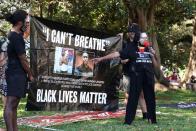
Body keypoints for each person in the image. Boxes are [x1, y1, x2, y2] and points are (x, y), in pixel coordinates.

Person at [92, 24, 158, 125]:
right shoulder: (131, 47)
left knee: (150, 97)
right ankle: (128, 121)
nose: (143, 39)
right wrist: (101, 59)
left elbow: (156, 65)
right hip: (136, 76)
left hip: (148, 76)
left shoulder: (148, 48)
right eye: (142, 37)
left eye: (145, 37)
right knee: (132, 98)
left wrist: (153, 55)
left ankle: (152, 119)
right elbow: (117, 54)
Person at [4, 10, 34, 131]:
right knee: (11, 104)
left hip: (15, 73)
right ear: (20, 22)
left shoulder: (13, 34)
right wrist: (30, 74)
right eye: (26, 21)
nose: (28, 23)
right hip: (15, 73)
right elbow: (23, 59)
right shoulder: (16, 37)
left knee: (14, 104)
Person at [121, 32, 147, 119]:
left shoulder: (139, 44)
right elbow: (120, 57)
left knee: (141, 94)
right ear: (128, 34)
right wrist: (124, 60)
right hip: (127, 73)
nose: (132, 34)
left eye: (134, 33)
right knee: (128, 95)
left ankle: (145, 115)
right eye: (130, 32)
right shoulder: (124, 43)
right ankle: (128, 114)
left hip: (138, 73)